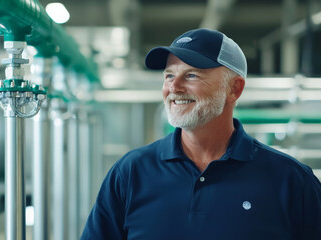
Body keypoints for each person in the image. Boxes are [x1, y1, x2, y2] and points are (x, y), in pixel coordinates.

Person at [80, 28, 321, 240]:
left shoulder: (291, 180)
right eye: (169, 75)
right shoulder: (130, 172)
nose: (174, 87)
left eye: (192, 75)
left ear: (234, 89)